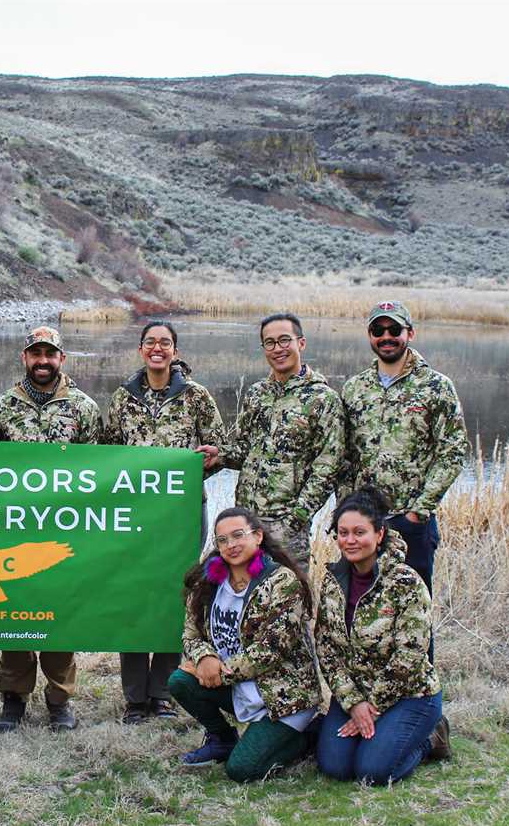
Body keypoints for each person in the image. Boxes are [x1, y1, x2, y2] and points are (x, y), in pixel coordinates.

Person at [103, 320, 225, 724]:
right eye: (151, 342)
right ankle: (135, 699)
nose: (158, 349)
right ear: (141, 350)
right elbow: (107, 455)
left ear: (175, 351)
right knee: (134, 595)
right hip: (133, 513)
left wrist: (198, 467)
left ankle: (163, 693)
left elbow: (216, 451)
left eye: (165, 343)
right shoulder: (122, 398)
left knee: (177, 593)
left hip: (183, 512)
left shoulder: (197, 397)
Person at [0, 325, 102, 732]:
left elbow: (99, 475)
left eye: (50, 354)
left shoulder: (84, 408)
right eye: (36, 353)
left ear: (61, 359)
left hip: (63, 532)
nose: (43, 361)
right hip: (13, 530)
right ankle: (13, 699)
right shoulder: (0, 408)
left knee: (59, 616)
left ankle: (59, 700)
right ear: (25, 358)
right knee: (13, 614)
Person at [167, 506, 321, 782]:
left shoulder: (282, 581)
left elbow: (272, 649)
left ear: (258, 536)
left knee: (242, 770)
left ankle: (308, 736)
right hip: (238, 686)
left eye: (238, 535)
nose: (230, 545)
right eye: (222, 540)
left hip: (282, 695)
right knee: (180, 681)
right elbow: (190, 634)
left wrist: (219, 671)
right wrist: (203, 660)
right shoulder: (210, 581)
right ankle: (222, 739)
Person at [315, 487, 450, 784]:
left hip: (408, 694)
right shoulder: (332, 582)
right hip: (355, 693)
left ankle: (431, 739)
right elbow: (326, 649)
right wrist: (353, 703)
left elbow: (410, 656)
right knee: (334, 767)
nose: (350, 540)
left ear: (379, 534)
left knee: (373, 772)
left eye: (359, 532)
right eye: (343, 533)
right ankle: (373, 736)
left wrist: (372, 708)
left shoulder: (406, 582)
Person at [339, 301, 469, 607]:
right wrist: (347, 509)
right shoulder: (355, 388)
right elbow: (343, 455)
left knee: (412, 614)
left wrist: (417, 512)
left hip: (411, 524)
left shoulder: (436, 386)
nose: (386, 336)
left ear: (410, 333)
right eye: (378, 330)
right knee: (361, 613)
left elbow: (453, 451)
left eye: (394, 329)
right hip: (363, 527)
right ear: (369, 335)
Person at [222, 312, 343, 568]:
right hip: (245, 522)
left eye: (284, 340)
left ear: (301, 343)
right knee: (245, 596)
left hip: (285, 527)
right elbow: (243, 449)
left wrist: (296, 518)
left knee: (289, 600)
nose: (278, 349)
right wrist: (218, 455)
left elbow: (328, 466)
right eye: (270, 342)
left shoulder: (323, 399)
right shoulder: (257, 394)